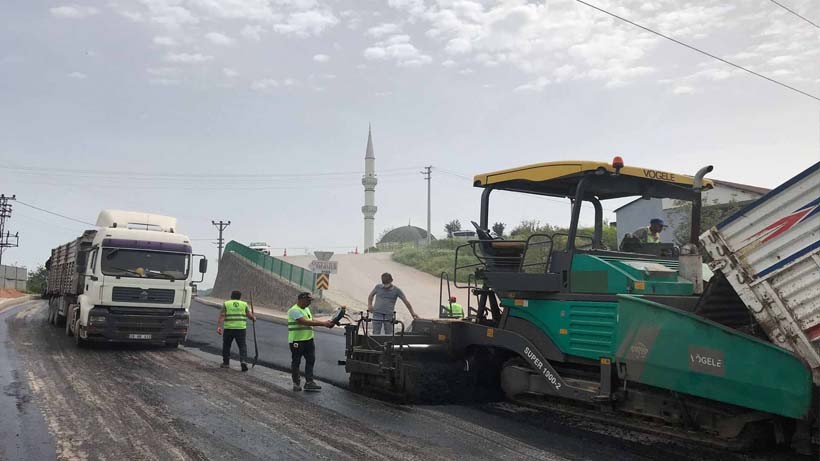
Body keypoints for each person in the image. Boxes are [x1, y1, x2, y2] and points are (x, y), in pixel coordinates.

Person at [288, 292, 334, 392]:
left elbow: (311, 319)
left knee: (311, 360)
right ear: (301, 299)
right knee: (296, 362)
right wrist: (323, 324)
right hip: (297, 341)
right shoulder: (294, 310)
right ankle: (296, 383)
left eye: (310, 301)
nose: (309, 303)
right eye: (308, 300)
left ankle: (309, 382)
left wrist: (327, 322)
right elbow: (305, 322)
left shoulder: (306, 309)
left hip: (308, 340)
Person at [217, 290, 256, 372]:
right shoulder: (244, 304)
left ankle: (226, 363)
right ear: (240, 297)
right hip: (240, 329)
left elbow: (222, 315)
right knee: (242, 346)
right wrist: (253, 318)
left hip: (229, 329)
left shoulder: (227, 304)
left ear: (231, 296)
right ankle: (243, 361)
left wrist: (219, 326)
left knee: (227, 346)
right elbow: (249, 315)